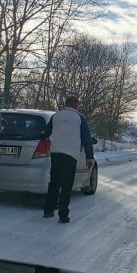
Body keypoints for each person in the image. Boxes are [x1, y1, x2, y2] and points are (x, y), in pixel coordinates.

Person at [43, 95, 94, 224]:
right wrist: (89, 157)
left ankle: (48, 210)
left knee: (54, 183)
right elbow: (87, 139)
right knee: (66, 186)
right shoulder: (80, 118)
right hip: (70, 156)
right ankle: (63, 215)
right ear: (76, 105)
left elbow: (46, 133)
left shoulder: (56, 116)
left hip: (56, 153)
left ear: (66, 104)